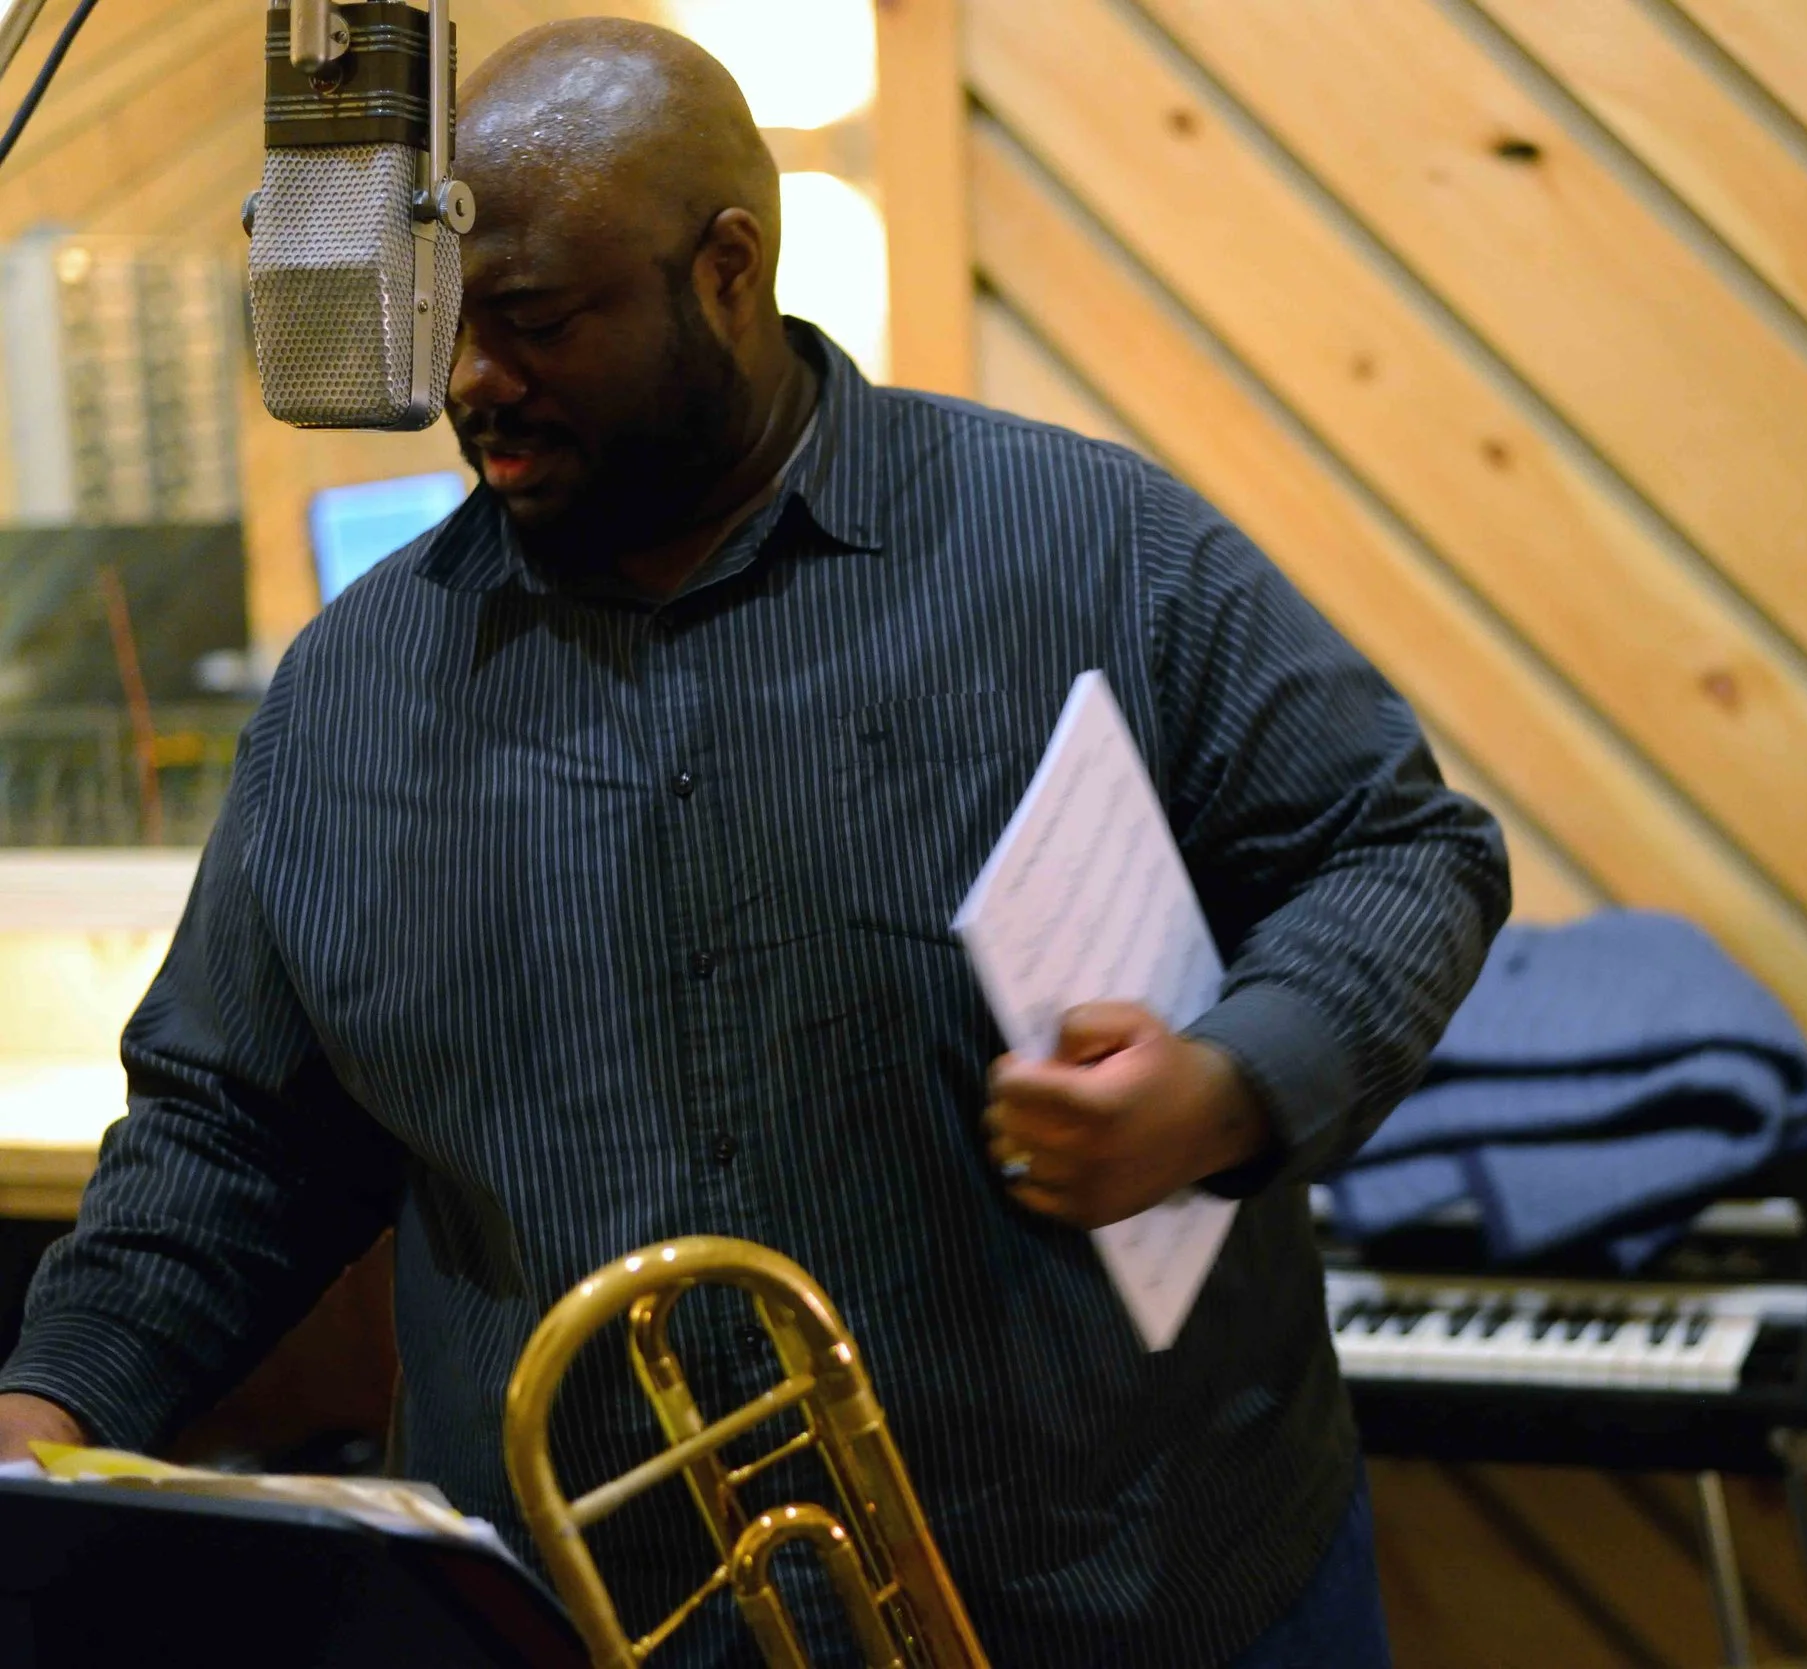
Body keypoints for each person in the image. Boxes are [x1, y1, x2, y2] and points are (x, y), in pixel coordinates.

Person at [0, 19, 1507, 1669]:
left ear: (726, 271)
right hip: (599, 1626)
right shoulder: (351, 697)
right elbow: (234, 1138)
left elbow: (1398, 851)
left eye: (536, 320)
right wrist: (51, 1402)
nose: (468, 381)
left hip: (1137, 1606)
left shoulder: (1089, 549)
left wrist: (1227, 1088)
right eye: (447, 320)